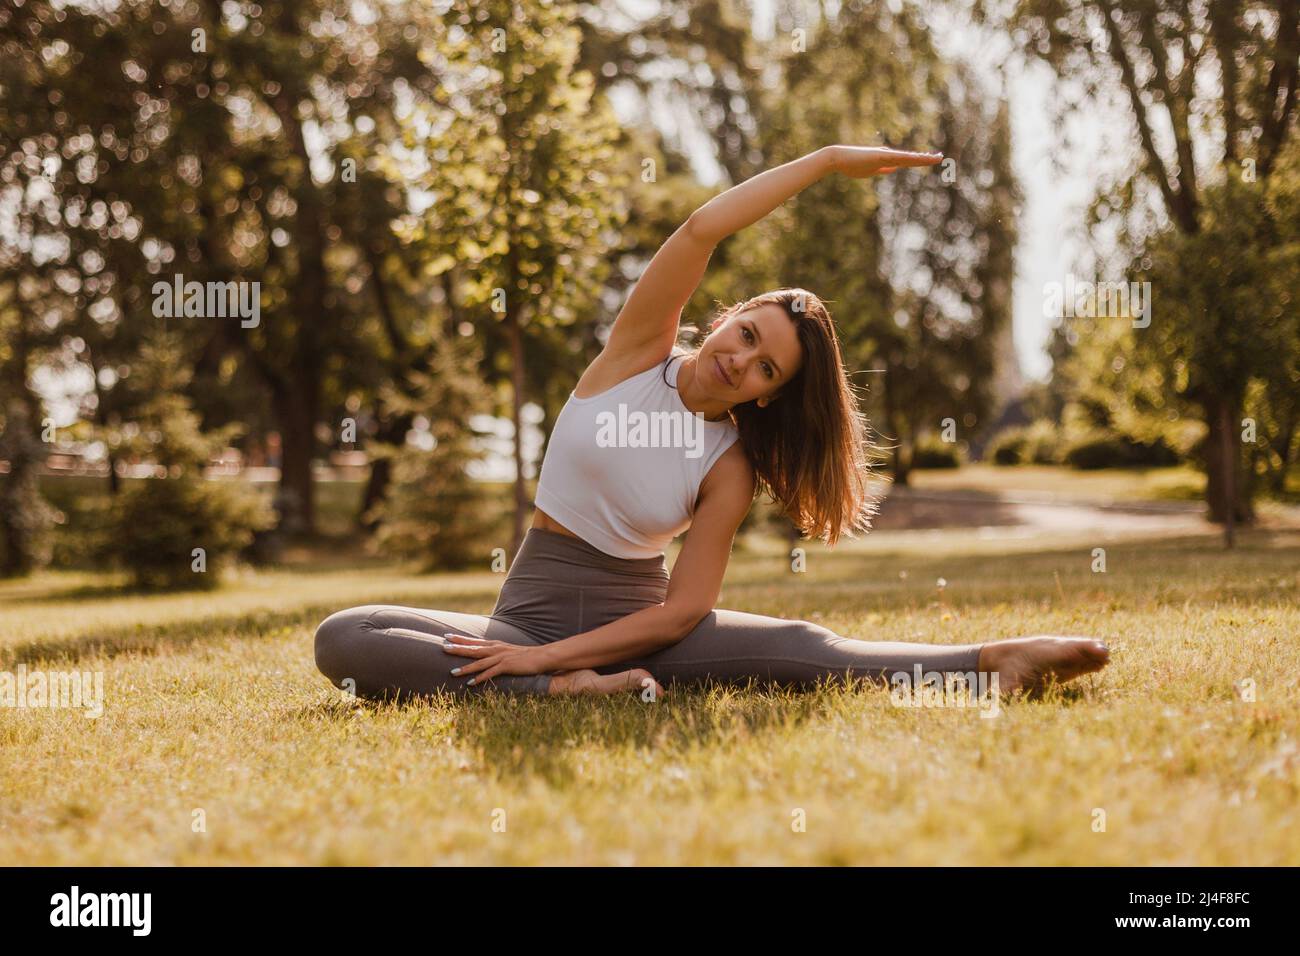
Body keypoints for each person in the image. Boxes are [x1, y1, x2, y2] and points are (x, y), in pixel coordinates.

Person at [314, 145, 1110, 701]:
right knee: (348, 636)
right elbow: (703, 229)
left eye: (767, 370)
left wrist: (545, 659)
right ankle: (556, 693)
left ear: (768, 396)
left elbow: (685, 611)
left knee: (801, 649)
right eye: (749, 336)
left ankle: (993, 659)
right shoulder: (635, 353)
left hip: (640, 628)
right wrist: (828, 161)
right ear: (727, 318)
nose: (743, 361)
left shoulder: (729, 463)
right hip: (525, 605)